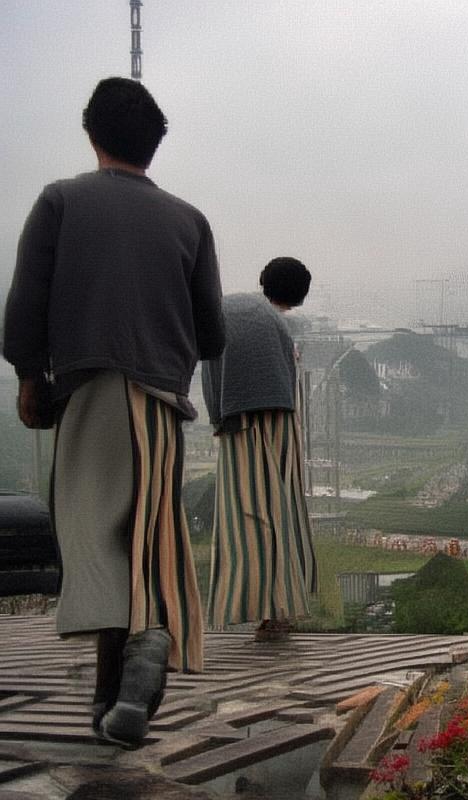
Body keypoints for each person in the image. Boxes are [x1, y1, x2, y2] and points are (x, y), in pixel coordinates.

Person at [2, 77, 225, 746]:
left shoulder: (61, 202)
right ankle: (117, 692)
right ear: (154, 145)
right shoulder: (190, 221)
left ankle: (146, 640)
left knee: (91, 535)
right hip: (160, 407)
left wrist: (29, 376)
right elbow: (212, 335)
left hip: (89, 390)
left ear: (90, 133)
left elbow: (25, 306)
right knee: (145, 538)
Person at [202, 257, 317, 640]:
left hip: (237, 420)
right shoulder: (277, 324)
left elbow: (211, 367)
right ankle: (279, 609)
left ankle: (256, 604)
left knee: (246, 515)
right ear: (298, 296)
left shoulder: (229, 307)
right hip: (277, 421)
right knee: (279, 509)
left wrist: (217, 418)